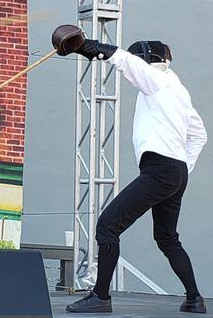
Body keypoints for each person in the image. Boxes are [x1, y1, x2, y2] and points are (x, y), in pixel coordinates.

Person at [52, 27, 207, 314]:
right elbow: (200, 135)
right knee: (167, 237)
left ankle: (100, 297)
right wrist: (184, 166)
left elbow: (127, 62)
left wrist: (88, 46)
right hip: (175, 172)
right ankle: (194, 299)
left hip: (160, 170)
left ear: (148, 61)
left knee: (108, 226)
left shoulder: (157, 81)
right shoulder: (178, 90)